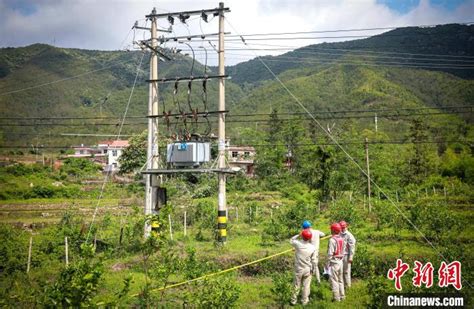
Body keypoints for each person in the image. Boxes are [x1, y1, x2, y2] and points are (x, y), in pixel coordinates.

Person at [290, 229, 317, 306]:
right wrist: (313, 269)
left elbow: (291, 240)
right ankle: (304, 301)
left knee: (296, 285)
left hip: (299, 269)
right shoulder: (312, 247)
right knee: (306, 286)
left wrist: (298, 235)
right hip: (308, 269)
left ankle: (293, 301)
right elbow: (314, 260)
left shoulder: (298, 244)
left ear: (302, 236)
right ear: (310, 238)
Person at [326, 222, 345, 302]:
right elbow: (343, 251)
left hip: (334, 262)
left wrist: (327, 264)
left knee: (334, 280)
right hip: (341, 261)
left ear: (333, 230)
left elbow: (330, 253)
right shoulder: (342, 239)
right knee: (341, 280)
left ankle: (336, 298)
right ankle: (342, 296)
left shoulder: (332, 240)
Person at [340, 220, 356, 288]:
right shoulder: (339, 234)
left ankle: (348, 286)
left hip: (346, 255)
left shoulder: (349, 235)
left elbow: (352, 247)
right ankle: (342, 286)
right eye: (341, 227)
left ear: (346, 227)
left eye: (343, 227)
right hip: (340, 255)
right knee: (340, 271)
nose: (343, 229)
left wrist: (351, 257)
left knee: (346, 271)